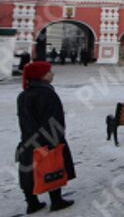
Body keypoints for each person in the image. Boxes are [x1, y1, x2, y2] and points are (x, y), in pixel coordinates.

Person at [16, 61, 76, 213]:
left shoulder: (23, 95)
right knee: (53, 165)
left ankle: (32, 203)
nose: (52, 74)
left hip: (28, 139)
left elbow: (24, 120)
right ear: (41, 75)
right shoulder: (47, 94)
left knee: (29, 169)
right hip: (48, 138)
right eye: (49, 71)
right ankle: (56, 200)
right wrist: (54, 141)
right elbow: (55, 120)